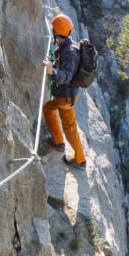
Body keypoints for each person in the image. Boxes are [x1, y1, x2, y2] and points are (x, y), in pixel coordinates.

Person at [42, 14, 86, 170]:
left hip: (65, 97)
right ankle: (58, 141)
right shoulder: (67, 46)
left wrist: (52, 72)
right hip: (64, 96)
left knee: (70, 129)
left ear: (56, 32)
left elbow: (66, 75)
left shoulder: (68, 52)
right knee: (48, 109)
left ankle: (80, 160)